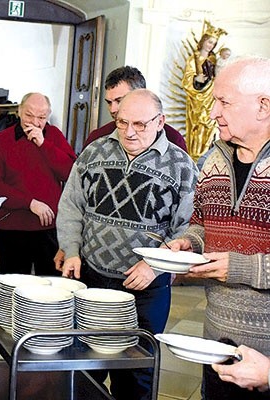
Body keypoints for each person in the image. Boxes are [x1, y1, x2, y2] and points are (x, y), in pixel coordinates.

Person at [56, 89, 198, 400]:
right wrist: (72, 250)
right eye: (122, 123)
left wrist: (156, 264)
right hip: (92, 280)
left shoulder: (181, 165)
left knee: (136, 375)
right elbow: (71, 206)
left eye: (140, 124)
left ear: (160, 122)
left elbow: (188, 228)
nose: (129, 132)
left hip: (146, 290)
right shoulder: (94, 152)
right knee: (84, 370)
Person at [170, 56, 270, 400]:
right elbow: (202, 223)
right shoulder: (214, 157)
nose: (212, 112)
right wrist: (190, 243)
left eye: (224, 102)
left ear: (263, 106)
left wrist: (241, 266)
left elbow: (238, 261)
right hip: (215, 339)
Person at [0, 92, 77, 276]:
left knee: (51, 284)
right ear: (19, 112)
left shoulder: (55, 136)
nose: (34, 122)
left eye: (41, 117)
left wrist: (43, 144)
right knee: (12, 286)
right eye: (29, 115)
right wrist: (30, 203)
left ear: (48, 116)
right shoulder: (2, 140)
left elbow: (70, 174)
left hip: (49, 228)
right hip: (12, 227)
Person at [83, 65, 187, 151]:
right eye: (109, 102)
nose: (113, 109)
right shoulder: (97, 138)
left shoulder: (173, 139)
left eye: (120, 101)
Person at [182, 20, 227, 162]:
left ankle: (205, 154)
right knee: (197, 127)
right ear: (203, 41)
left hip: (211, 98)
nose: (211, 46)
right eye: (209, 42)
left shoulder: (214, 59)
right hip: (197, 101)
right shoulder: (193, 59)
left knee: (209, 126)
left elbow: (218, 75)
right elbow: (186, 81)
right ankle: (195, 155)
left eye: (213, 44)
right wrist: (197, 80)